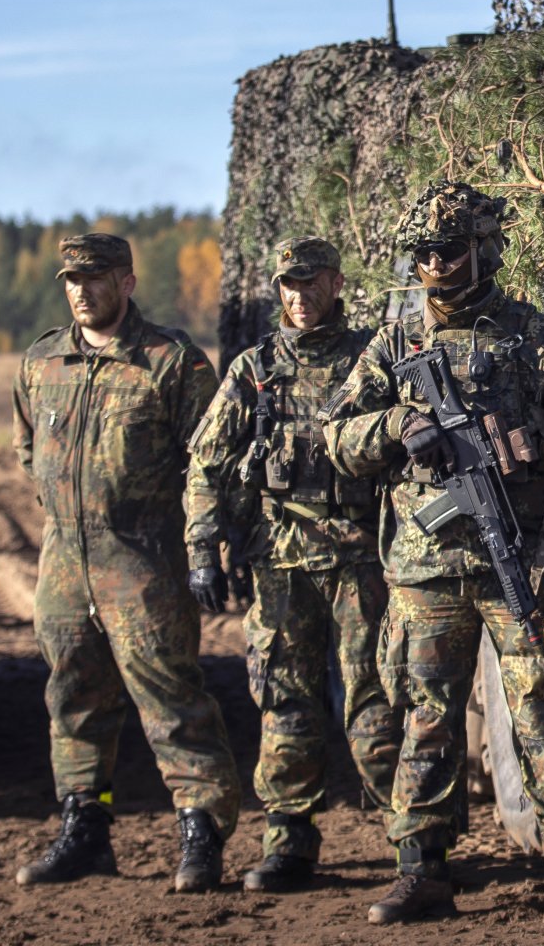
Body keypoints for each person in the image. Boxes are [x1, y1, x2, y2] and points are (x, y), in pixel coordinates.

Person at [322, 180, 544, 924]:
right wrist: (397, 423)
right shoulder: (395, 345)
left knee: (543, 715)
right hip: (426, 572)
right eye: (425, 253)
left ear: (483, 248)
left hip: (520, 561)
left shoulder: (532, 337)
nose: (437, 264)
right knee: (426, 720)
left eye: (451, 249)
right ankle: (420, 869)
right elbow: (336, 437)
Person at [11, 233, 240, 893]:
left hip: (142, 556)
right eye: (72, 280)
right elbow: (29, 449)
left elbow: (210, 461)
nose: (82, 291)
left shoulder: (171, 362)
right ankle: (86, 828)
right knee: (74, 698)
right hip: (63, 558)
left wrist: (199, 545)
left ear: (127, 282)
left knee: (171, 699)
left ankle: (201, 832)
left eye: (96, 278)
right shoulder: (42, 361)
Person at [184, 236, 401, 891]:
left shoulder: (375, 358)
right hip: (280, 563)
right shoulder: (255, 371)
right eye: (289, 286)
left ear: (336, 283)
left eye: (311, 284)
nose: (300, 298)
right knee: (286, 705)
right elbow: (206, 464)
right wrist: (202, 548)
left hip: (364, 562)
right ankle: (289, 843)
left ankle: (416, 840)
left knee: (377, 702)